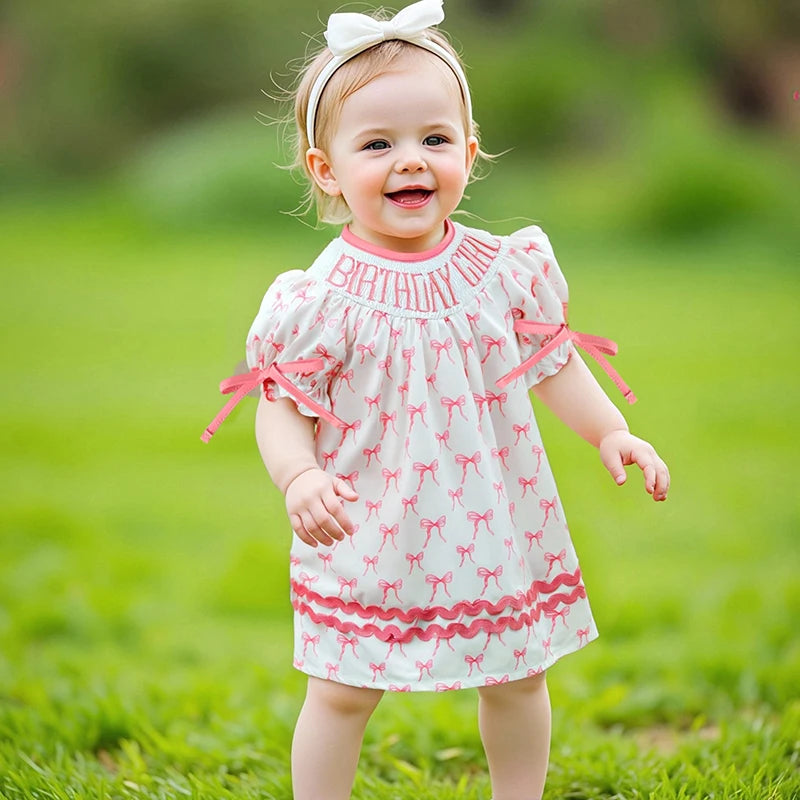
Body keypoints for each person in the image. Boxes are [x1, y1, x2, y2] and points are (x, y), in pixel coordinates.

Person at [203, 1, 670, 798]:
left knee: (518, 677)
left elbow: (551, 362)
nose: (410, 161)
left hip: (491, 518)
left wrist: (610, 431)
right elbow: (280, 403)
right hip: (367, 521)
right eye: (377, 144)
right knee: (342, 689)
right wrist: (299, 476)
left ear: (469, 151)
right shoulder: (322, 300)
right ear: (326, 169)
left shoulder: (501, 272)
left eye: (434, 139)